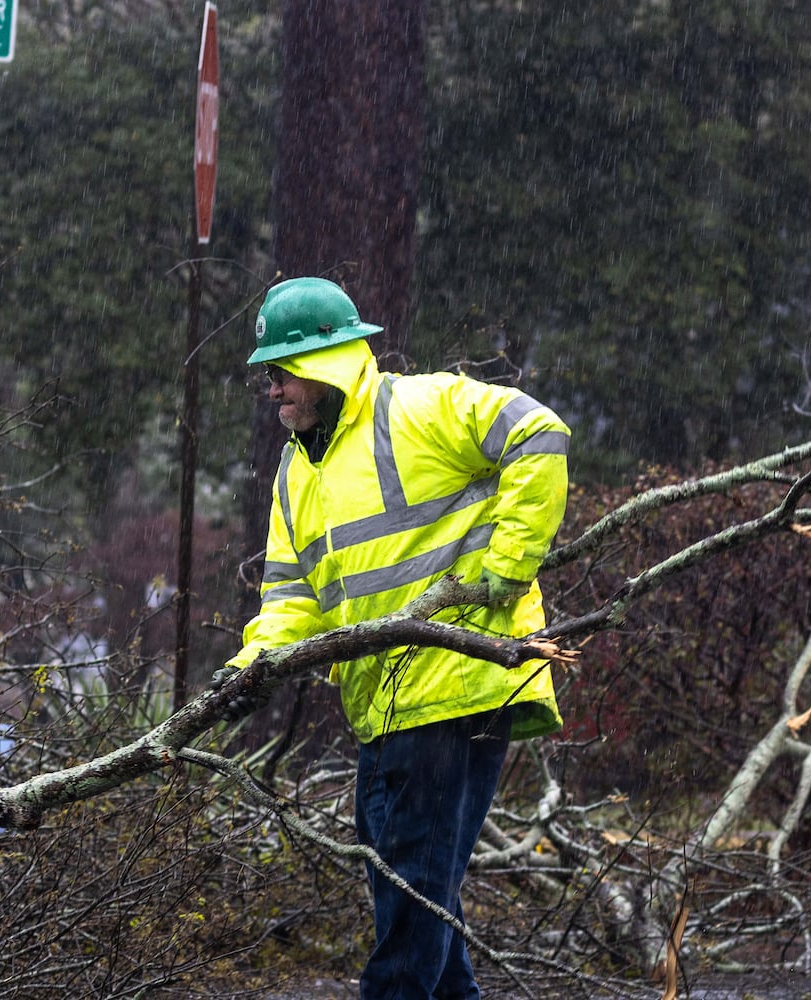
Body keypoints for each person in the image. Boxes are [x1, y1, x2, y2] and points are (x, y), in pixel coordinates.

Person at [214, 276, 570, 1000]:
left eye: (280, 371)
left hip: (454, 689)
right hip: (385, 708)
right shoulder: (296, 471)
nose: (271, 387)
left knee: (410, 899)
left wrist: (508, 566)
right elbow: (289, 597)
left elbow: (540, 432)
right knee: (418, 891)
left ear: (324, 365)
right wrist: (253, 665)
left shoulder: (421, 406)